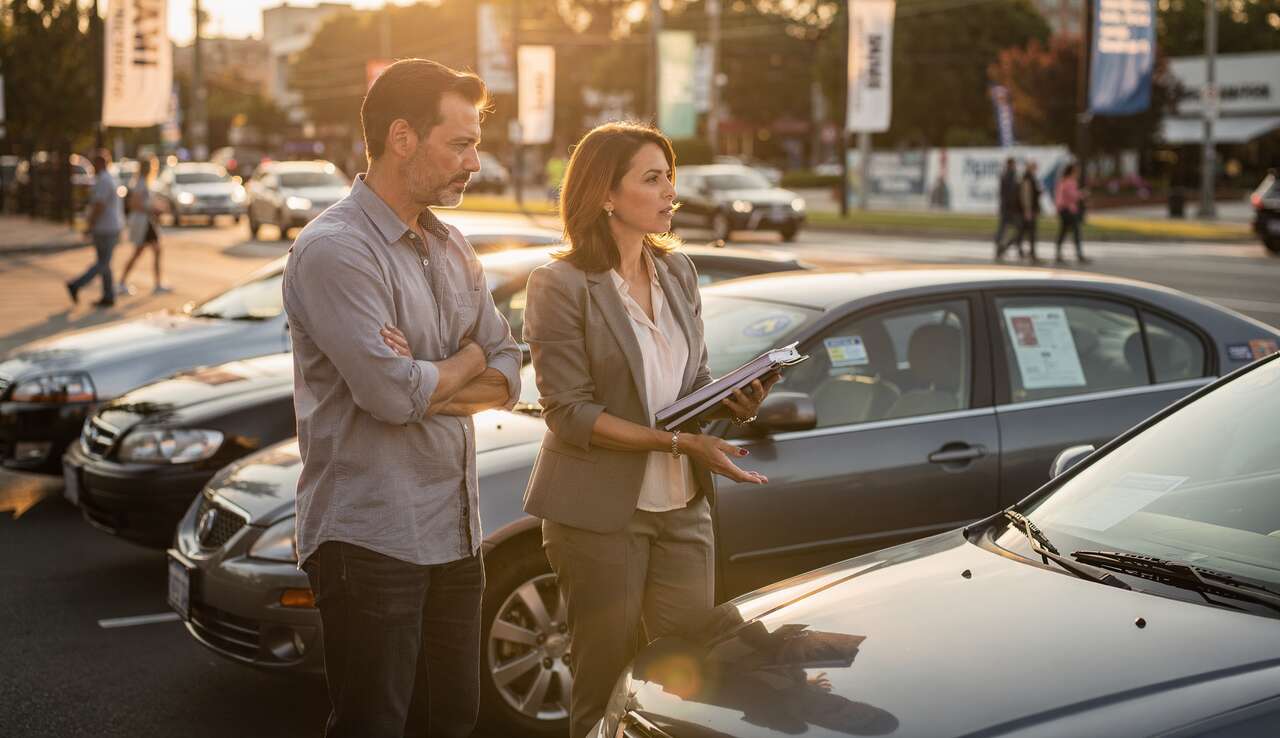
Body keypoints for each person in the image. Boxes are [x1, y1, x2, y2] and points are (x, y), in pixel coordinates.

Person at [282, 59, 522, 738]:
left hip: (454, 532)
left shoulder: (452, 247)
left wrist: (442, 369)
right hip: (370, 539)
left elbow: (510, 368)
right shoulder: (336, 249)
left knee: (451, 722)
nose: (475, 162)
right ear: (402, 138)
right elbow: (388, 396)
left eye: (475, 143)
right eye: (461, 143)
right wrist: (456, 364)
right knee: (375, 727)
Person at [521, 121, 778, 738]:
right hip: (598, 513)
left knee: (691, 672)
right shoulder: (559, 285)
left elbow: (692, 384)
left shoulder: (679, 271)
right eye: (653, 179)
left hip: (683, 505)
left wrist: (736, 402)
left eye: (672, 179)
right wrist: (678, 442)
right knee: (604, 680)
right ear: (605, 193)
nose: (671, 193)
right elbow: (568, 412)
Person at [67, 150, 124, 307]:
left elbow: (99, 205)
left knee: (104, 263)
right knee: (103, 263)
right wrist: (90, 226)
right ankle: (77, 284)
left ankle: (108, 296)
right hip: (106, 228)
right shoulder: (106, 180)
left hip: (106, 227)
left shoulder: (104, 180)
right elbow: (99, 206)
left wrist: (89, 226)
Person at [117, 157, 170, 295]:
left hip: (146, 221)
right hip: (143, 222)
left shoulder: (143, 182)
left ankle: (125, 282)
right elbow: (134, 204)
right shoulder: (140, 183)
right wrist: (153, 209)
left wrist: (155, 206)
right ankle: (124, 282)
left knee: (147, 251)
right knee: (150, 251)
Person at [1054, 162, 1089, 264]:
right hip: (1069, 210)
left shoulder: (1063, 181)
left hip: (1063, 210)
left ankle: (1058, 253)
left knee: (1063, 231)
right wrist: (1082, 194)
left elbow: (1060, 196)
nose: (1078, 172)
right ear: (1072, 171)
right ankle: (1079, 254)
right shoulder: (1070, 182)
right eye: (1076, 170)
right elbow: (1072, 196)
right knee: (1075, 231)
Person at [1014, 160, 1042, 262]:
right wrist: (1027, 210)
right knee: (1029, 232)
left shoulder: (1029, 178)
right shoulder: (1027, 178)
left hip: (1030, 210)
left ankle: (1027, 251)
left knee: (1022, 232)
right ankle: (1032, 253)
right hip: (1029, 210)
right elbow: (1026, 195)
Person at [994, 157, 1021, 261]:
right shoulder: (1010, 176)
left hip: (1006, 208)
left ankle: (1001, 248)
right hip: (1010, 209)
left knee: (1003, 230)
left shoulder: (1006, 175)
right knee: (1018, 229)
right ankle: (1003, 248)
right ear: (1011, 165)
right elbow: (1009, 194)